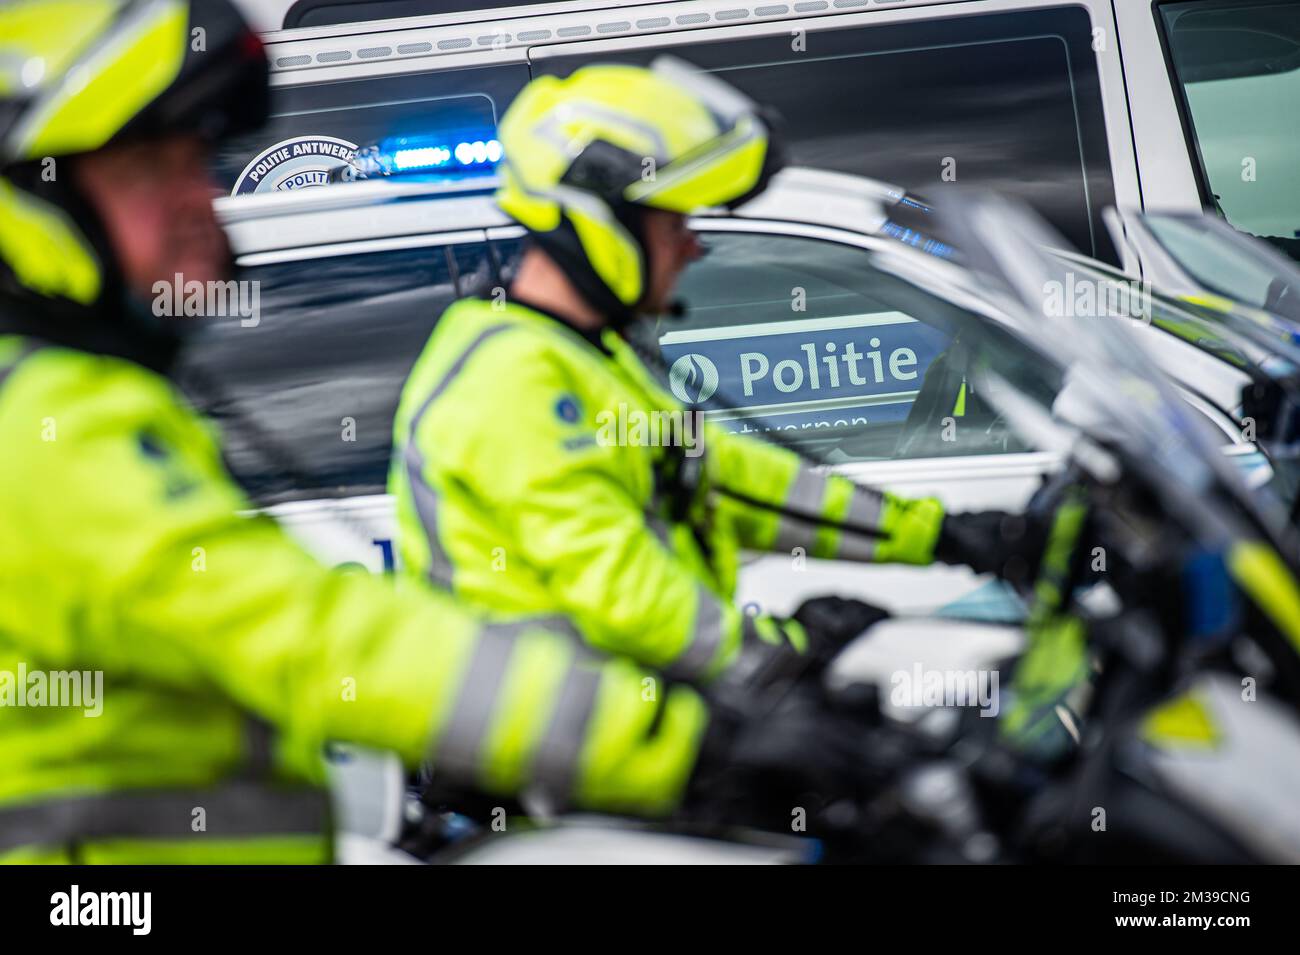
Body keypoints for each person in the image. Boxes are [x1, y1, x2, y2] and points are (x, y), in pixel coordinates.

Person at [0, 0, 845, 863]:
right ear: (31, 193)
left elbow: (721, 472)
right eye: (153, 166)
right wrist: (696, 738)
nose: (207, 195)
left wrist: (937, 531)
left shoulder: (77, 399)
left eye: (200, 161)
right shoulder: (49, 428)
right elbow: (318, 635)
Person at [390, 59, 1043, 685]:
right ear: (601, 219)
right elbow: (626, 591)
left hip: (624, 742)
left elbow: (728, 480)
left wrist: (944, 533)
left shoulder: (584, 355)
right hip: (556, 769)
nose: (693, 243)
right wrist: (787, 654)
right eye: (674, 218)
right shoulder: (508, 377)